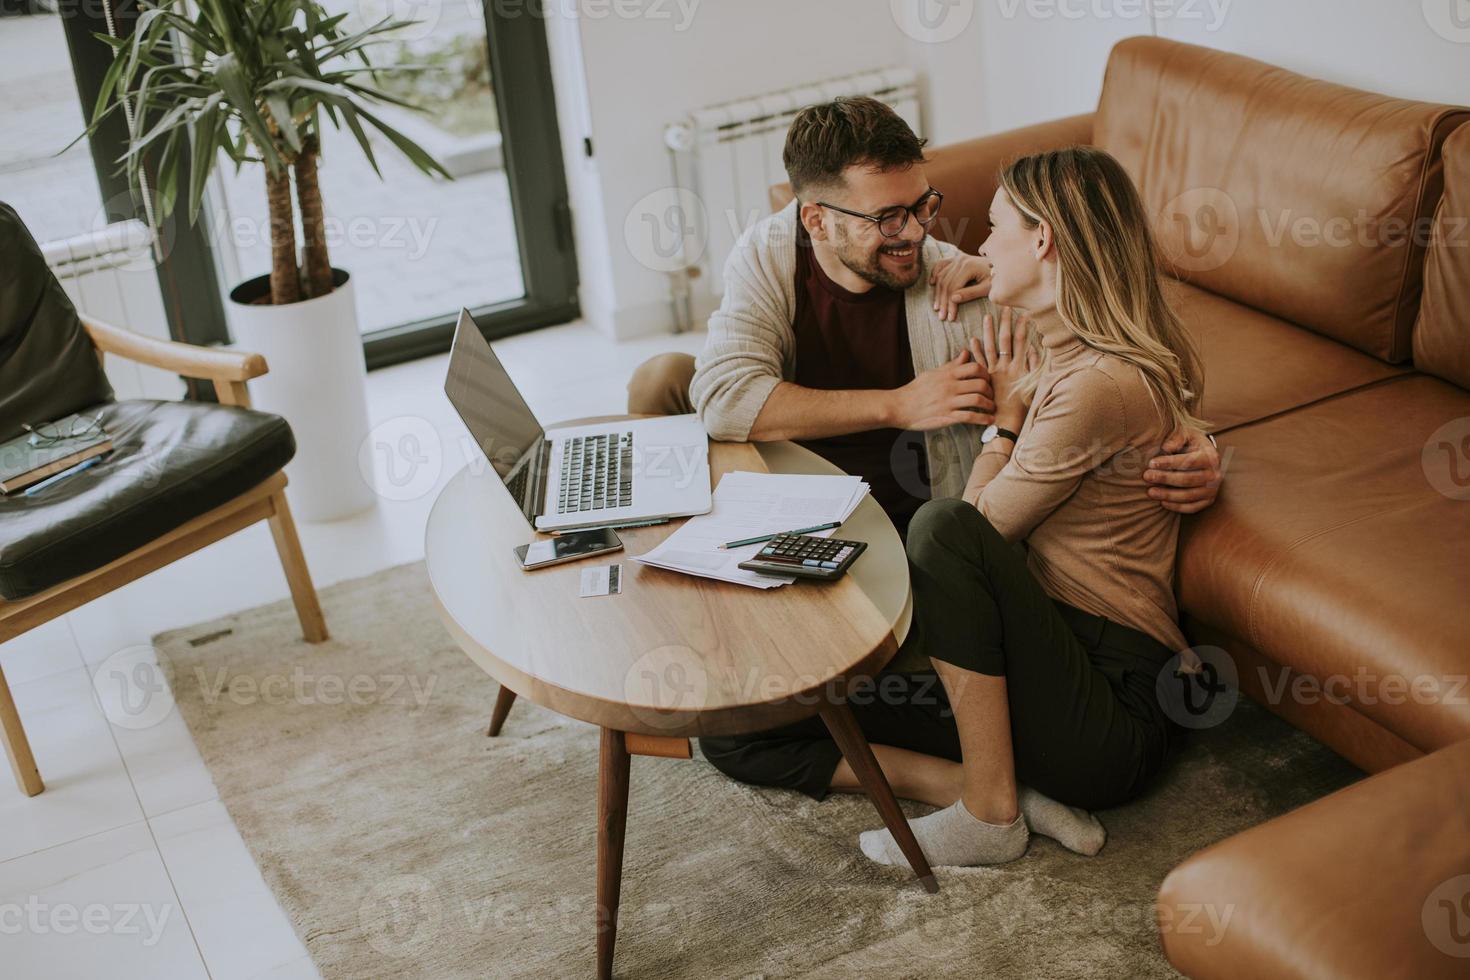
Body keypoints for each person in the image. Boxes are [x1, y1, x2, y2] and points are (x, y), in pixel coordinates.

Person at [705, 145, 1211, 867]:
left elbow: (972, 532)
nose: (974, 246)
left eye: (996, 226)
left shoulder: (1091, 383)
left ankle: (989, 812)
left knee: (939, 528)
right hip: (1032, 659)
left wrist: (1004, 424)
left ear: (1043, 241)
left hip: (1108, 705)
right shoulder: (1057, 360)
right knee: (741, 721)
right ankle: (981, 787)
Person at [625, 97, 1222, 537]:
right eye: (887, 218)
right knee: (660, 377)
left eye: (921, 206)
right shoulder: (768, 251)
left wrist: (1192, 436)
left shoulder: (957, 288)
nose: (913, 232)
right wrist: (898, 403)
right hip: (783, 485)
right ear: (815, 221)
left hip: (890, 527)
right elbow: (726, 398)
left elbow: (1105, 364)